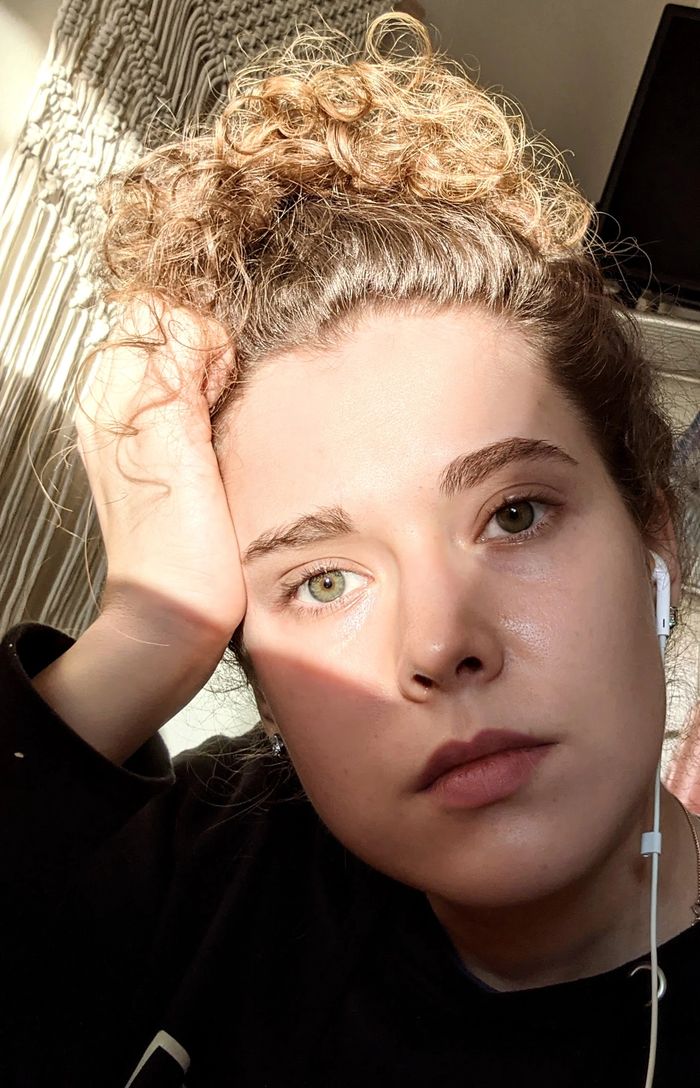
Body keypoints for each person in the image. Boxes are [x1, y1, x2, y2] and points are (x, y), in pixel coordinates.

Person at [1, 13, 698, 1088]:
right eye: (321, 580)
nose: (440, 641)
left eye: (514, 514)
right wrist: (146, 629)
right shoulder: (200, 865)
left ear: (655, 537)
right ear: (260, 678)